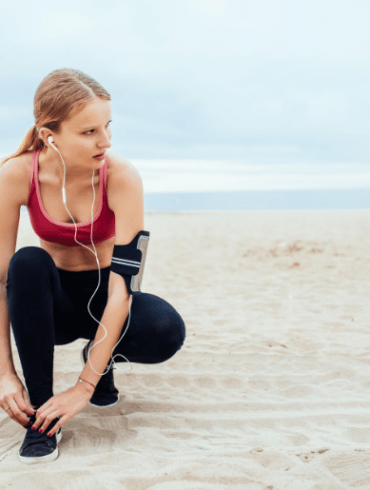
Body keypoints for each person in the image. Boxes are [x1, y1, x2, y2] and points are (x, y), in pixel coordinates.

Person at [0, 68, 186, 464]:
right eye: (89, 132)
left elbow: (123, 288)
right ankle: (42, 417)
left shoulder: (121, 177)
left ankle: (99, 362)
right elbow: (0, 281)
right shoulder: (17, 174)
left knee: (165, 330)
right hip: (50, 306)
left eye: (107, 126)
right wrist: (4, 373)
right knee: (27, 262)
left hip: (107, 296)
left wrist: (84, 386)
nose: (106, 140)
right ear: (50, 134)